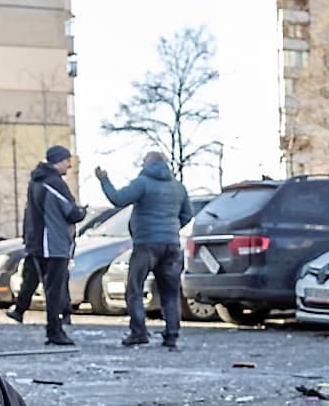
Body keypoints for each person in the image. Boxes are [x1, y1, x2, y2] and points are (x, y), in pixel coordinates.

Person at [95, 150, 194, 349]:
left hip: (146, 244)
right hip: (172, 245)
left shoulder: (143, 183)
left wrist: (104, 179)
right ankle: (171, 335)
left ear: (148, 163)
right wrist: (171, 229)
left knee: (135, 288)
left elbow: (118, 199)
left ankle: (139, 332)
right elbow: (188, 215)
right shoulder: (178, 187)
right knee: (170, 291)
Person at [11, 145, 81, 345]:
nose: (69, 165)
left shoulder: (36, 182)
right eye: (67, 161)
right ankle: (55, 331)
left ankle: (34, 318)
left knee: (45, 286)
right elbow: (71, 212)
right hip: (53, 243)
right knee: (55, 289)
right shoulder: (54, 183)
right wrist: (82, 213)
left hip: (38, 242)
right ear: (58, 161)